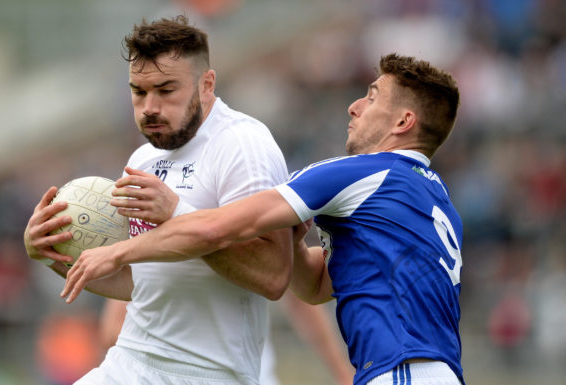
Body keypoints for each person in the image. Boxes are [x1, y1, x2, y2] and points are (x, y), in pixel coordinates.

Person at [61, 53, 465, 385]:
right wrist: (289, 242)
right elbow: (318, 285)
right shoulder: (435, 198)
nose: (355, 106)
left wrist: (124, 247)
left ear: (402, 122)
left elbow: (217, 226)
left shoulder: (361, 172)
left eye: (373, 97)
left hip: (404, 371)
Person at [25, 16, 293, 385]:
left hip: (208, 374)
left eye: (166, 91)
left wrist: (176, 214)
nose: (149, 106)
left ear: (207, 84)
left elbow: (274, 275)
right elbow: (139, 284)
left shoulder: (243, 146)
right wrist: (51, 251)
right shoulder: (143, 160)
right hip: (130, 361)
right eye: (139, 91)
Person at [99, 292, 354, 385]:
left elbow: (298, 295)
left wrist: (343, 374)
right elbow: (113, 330)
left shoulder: (255, 206)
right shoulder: (151, 232)